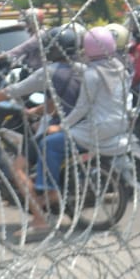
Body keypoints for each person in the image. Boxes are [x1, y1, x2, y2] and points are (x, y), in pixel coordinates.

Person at [0, 25, 83, 230]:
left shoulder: (50, 72)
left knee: (18, 168)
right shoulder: (83, 69)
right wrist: (37, 110)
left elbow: (13, 90)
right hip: (80, 126)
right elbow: (62, 101)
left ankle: (39, 219)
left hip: (57, 127)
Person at [36, 25, 130, 214]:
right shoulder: (121, 70)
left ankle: (50, 189)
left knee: (49, 144)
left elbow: (82, 108)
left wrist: (61, 127)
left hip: (97, 128)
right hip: (120, 125)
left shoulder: (92, 74)